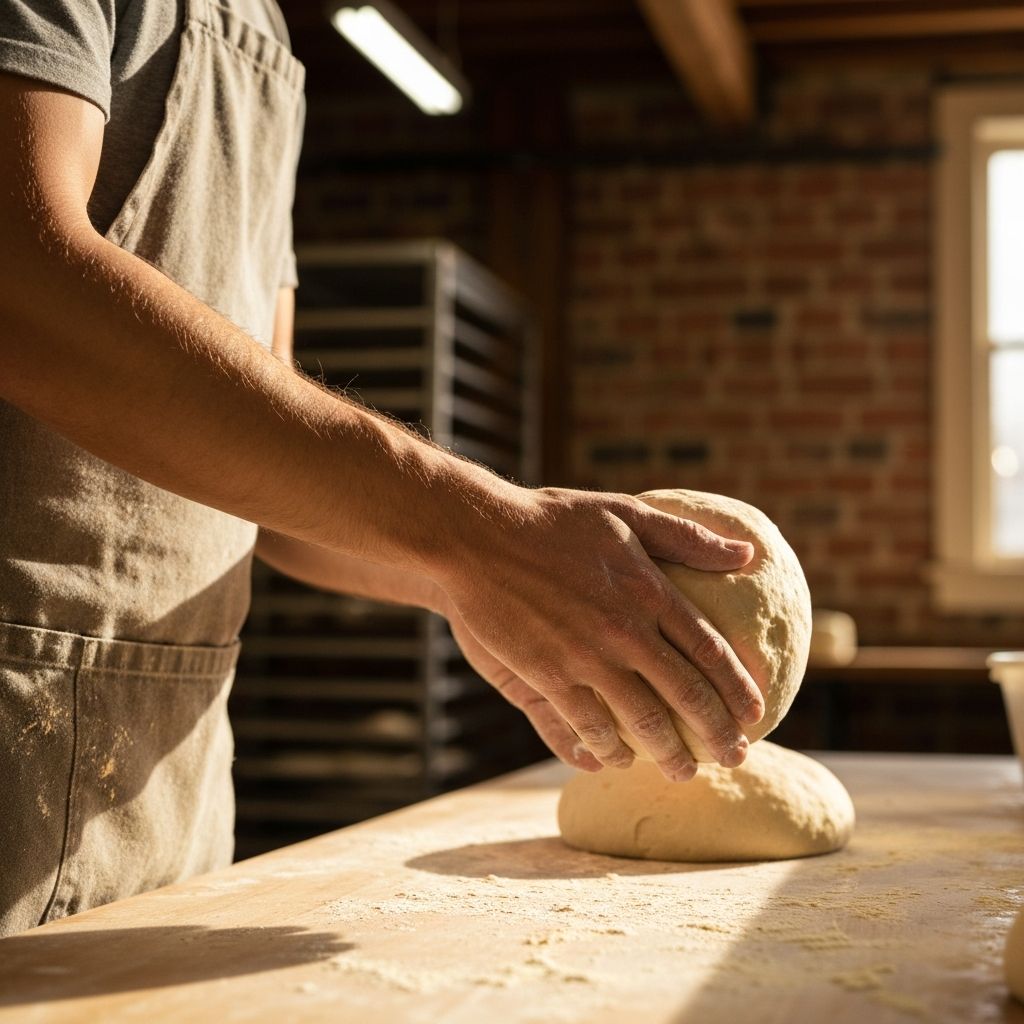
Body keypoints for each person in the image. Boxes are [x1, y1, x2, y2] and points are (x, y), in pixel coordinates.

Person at [0, 0, 764, 936]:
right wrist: (482, 535)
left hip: (167, 795)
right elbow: (18, 281)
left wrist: (479, 581)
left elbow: (266, 489)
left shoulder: (266, 36)